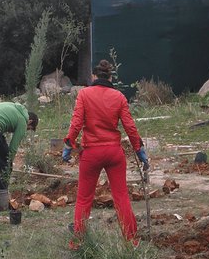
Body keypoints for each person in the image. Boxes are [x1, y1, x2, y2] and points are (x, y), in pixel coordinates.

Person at [62, 59, 149, 247]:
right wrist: (138, 149)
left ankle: (78, 241)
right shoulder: (119, 97)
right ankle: (132, 240)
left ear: (94, 76)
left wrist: (69, 143)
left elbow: (76, 123)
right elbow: (130, 127)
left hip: (91, 153)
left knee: (84, 199)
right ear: (111, 77)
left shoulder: (84, 94)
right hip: (114, 153)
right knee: (121, 197)